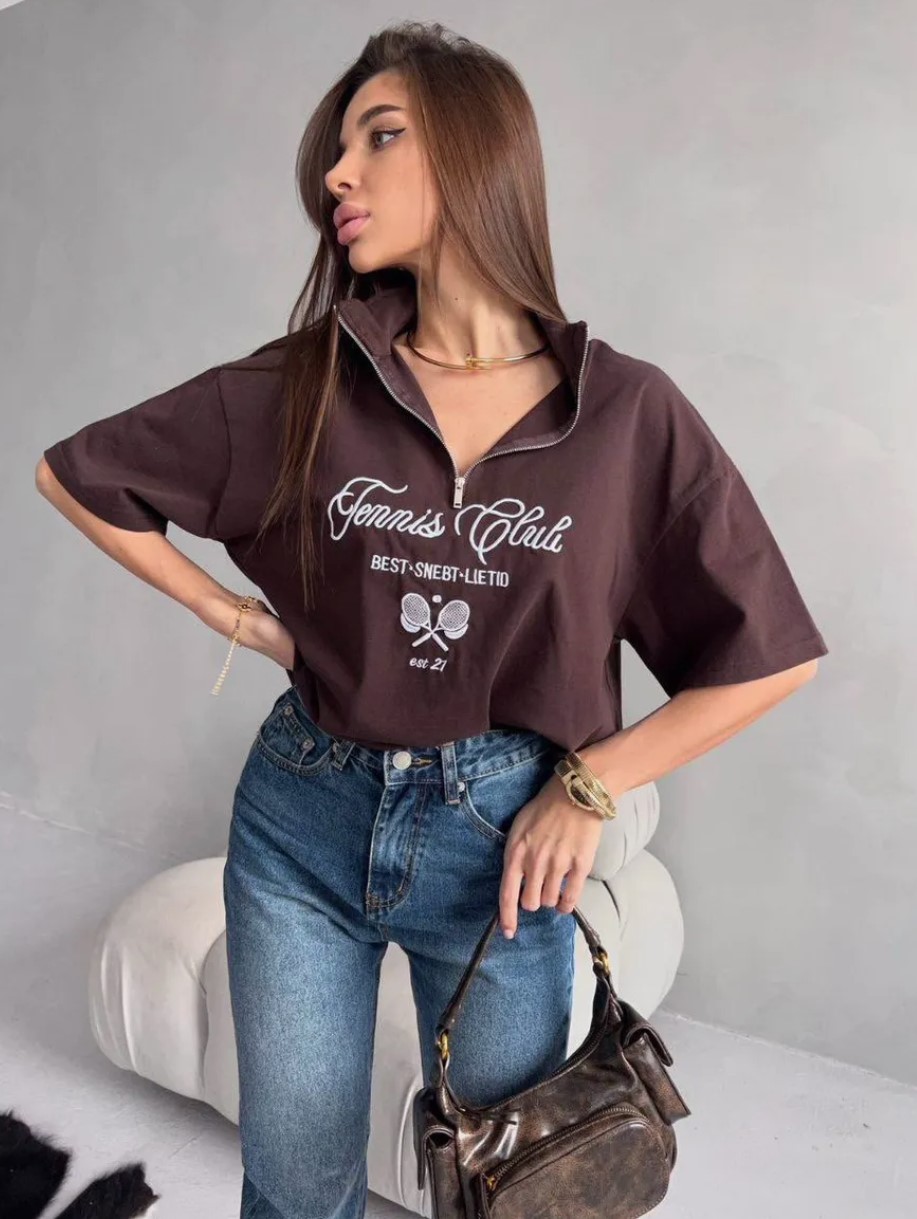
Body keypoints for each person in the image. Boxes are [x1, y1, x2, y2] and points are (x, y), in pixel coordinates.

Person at [36, 20, 828, 1219]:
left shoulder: (623, 415)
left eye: (378, 137)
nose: (334, 174)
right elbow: (76, 475)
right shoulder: (314, 381)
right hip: (301, 818)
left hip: (503, 849)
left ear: (470, 153)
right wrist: (229, 612)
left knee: (512, 1194)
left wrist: (589, 786)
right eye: (336, 148)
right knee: (295, 1190)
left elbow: (768, 655)